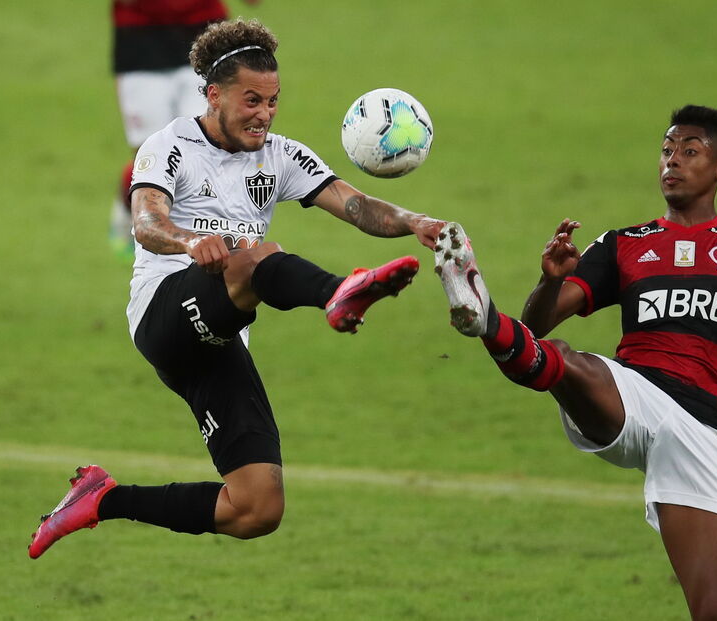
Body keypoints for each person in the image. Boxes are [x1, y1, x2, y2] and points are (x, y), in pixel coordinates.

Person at [30, 18, 444, 558]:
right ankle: (341, 291)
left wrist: (416, 222)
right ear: (214, 94)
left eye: (273, 101)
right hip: (164, 314)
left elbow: (357, 205)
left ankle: (100, 500)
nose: (265, 114)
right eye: (252, 100)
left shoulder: (280, 155)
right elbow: (146, 223)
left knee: (256, 508)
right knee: (256, 261)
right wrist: (188, 242)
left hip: (220, 339)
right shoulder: (171, 143)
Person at [433, 105, 717, 620]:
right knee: (566, 359)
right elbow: (540, 325)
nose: (672, 162)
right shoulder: (626, 245)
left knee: (714, 612)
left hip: (705, 431)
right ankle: (483, 317)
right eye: (666, 150)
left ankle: (485, 320)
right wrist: (550, 279)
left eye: (689, 151)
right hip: (635, 395)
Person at [109, 0, 259, 260]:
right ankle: (127, 209)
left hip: (203, 31)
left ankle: (197, 241)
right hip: (140, 39)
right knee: (150, 155)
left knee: (205, 146)